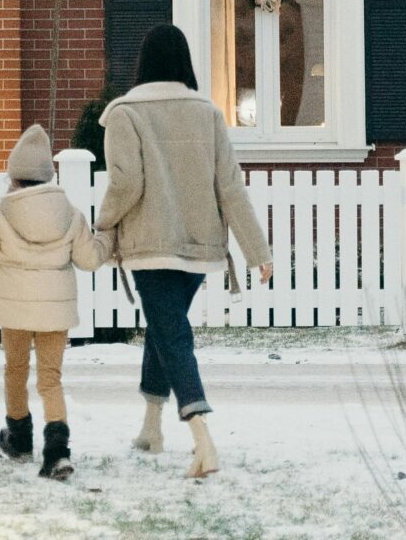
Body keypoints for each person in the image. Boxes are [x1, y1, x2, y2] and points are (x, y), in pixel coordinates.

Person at [95, 24, 273, 480]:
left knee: (171, 334)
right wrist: (257, 252)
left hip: (150, 247)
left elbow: (125, 183)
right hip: (199, 247)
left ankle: (202, 438)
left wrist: (104, 221)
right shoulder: (207, 113)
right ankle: (151, 429)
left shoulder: (125, 113)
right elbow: (230, 188)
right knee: (164, 326)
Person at [0, 122, 101, 480]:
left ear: (15, 176)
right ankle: (56, 451)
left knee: (15, 372)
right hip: (55, 310)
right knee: (50, 378)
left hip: (15, 309)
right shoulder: (71, 214)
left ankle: (19, 437)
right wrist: (107, 239)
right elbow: (90, 260)